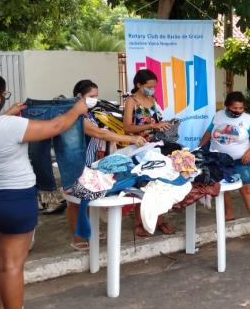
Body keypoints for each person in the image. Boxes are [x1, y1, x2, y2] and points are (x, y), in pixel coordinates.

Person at [0, 70, 87, 309]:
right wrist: (76, 110)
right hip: (13, 202)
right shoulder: (6, 126)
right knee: (12, 265)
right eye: (2, 95)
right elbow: (55, 128)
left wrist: (11, 112)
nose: (4, 99)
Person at [67, 80, 147, 251]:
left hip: (89, 163)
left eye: (96, 95)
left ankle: (89, 229)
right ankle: (77, 236)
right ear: (79, 96)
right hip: (75, 164)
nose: (95, 99)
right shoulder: (73, 115)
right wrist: (131, 139)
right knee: (75, 201)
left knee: (87, 196)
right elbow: (99, 133)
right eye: (91, 96)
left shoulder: (89, 113)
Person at [199, 91, 250, 238]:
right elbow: (209, 133)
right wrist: (199, 147)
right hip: (218, 159)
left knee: (247, 190)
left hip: (241, 159)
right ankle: (229, 213)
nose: (238, 111)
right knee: (223, 188)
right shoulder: (218, 115)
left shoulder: (247, 119)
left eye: (241, 108)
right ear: (227, 106)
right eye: (234, 108)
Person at [123, 69, 174, 237]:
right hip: (139, 147)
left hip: (157, 145)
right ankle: (139, 222)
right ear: (139, 85)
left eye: (154, 86)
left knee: (160, 183)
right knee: (142, 184)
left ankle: (160, 220)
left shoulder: (152, 100)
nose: (152, 89)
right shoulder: (132, 101)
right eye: (149, 86)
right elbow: (128, 127)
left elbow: (157, 122)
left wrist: (165, 124)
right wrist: (152, 126)